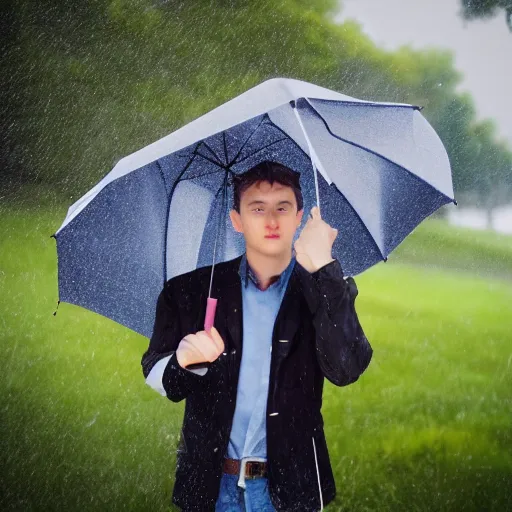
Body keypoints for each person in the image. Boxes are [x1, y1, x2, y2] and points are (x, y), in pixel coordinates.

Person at [141, 160, 373, 511]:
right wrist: (182, 361)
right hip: (210, 486)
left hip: (289, 490)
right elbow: (158, 375)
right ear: (236, 220)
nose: (271, 220)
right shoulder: (190, 291)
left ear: (299, 218)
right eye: (257, 208)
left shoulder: (319, 291)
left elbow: (347, 367)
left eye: (283, 208)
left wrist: (324, 268)